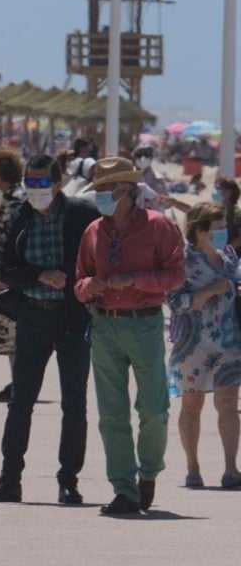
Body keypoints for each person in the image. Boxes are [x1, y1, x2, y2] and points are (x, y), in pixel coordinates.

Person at [0, 155, 100, 505]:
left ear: (59, 182)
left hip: (73, 319)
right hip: (33, 317)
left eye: (42, 181)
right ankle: (9, 479)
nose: (36, 189)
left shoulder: (82, 215)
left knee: (74, 405)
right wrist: (37, 275)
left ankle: (69, 481)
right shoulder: (20, 215)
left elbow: (101, 255)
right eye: (30, 182)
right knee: (21, 402)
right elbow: (4, 266)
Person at [75, 156, 185, 515]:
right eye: (99, 190)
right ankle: (124, 488)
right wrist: (94, 285)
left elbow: (176, 276)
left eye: (107, 190)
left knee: (154, 409)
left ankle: (148, 474)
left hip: (145, 323)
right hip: (105, 325)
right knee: (112, 414)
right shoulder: (93, 232)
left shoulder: (159, 227)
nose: (102, 197)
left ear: (126, 191)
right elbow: (79, 283)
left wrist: (136, 279)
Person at [166, 202, 241, 489]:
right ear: (199, 230)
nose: (223, 232)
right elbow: (175, 302)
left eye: (224, 226)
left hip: (229, 342)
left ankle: (231, 470)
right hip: (193, 345)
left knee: (228, 403)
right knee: (192, 405)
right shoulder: (183, 261)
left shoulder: (230, 257)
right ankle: (193, 467)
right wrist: (209, 291)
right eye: (217, 227)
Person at [0, 149, 25, 403]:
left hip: (6, 278)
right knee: (11, 334)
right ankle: (17, 381)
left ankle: (20, 384)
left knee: (14, 332)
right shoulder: (10, 199)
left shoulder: (15, 201)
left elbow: (11, 241)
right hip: (2, 276)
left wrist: (4, 274)